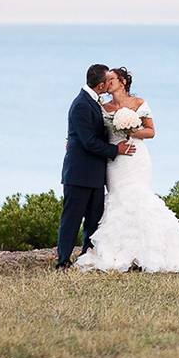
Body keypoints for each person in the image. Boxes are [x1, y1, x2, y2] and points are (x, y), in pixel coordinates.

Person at [74, 66, 179, 273]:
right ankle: (119, 251)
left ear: (122, 81)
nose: (107, 83)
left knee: (139, 197)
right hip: (115, 161)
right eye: (106, 80)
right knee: (118, 199)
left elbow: (151, 131)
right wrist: (74, 142)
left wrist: (131, 130)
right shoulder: (102, 107)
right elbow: (93, 133)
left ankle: (150, 251)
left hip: (136, 158)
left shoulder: (139, 103)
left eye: (111, 79)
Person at [56, 64, 136, 269]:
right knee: (72, 220)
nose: (110, 83)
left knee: (94, 220)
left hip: (96, 173)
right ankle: (63, 261)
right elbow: (89, 141)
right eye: (107, 80)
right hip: (80, 173)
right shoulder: (82, 104)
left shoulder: (94, 101)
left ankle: (87, 255)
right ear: (100, 85)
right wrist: (115, 149)